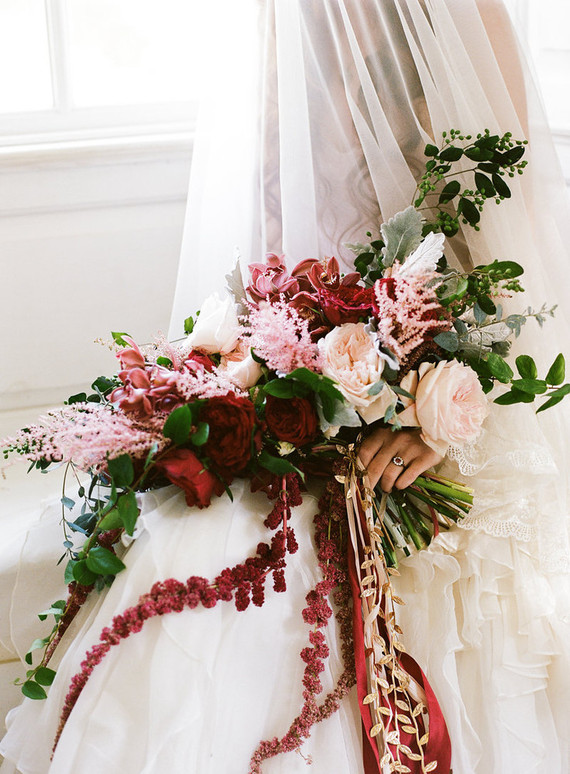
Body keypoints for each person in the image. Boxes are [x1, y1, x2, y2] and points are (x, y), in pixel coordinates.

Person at [1, 1, 569, 772]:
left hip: (440, 400)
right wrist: (264, 375)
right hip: (314, 389)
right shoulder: (284, 23)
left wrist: (439, 407)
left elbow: (517, 267)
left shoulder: (464, 17)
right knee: (195, 531)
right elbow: (270, 264)